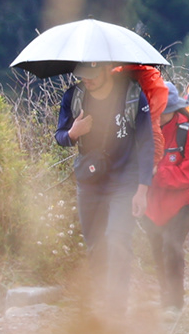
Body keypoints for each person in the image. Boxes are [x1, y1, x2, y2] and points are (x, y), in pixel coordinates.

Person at [55, 62, 155, 305]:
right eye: (83, 76)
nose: (87, 80)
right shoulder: (74, 96)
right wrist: (73, 133)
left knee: (117, 239)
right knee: (95, 244)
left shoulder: (132, 95)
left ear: (107, 69)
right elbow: (60, 136)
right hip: (90, 182)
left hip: (125, 180)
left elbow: (146, 143)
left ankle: (116, 307)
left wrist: (143, 189)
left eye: (92, 75)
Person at [137, 93, 189, 314]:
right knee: (157, 250)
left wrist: (158, 172)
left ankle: (175, 303)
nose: (158, 114)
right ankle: (165, 297)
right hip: (152, 205)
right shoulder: (142, 135)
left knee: (172, 248)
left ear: (175, 110)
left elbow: (188, 175)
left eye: (163, 109)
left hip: (182, 203)